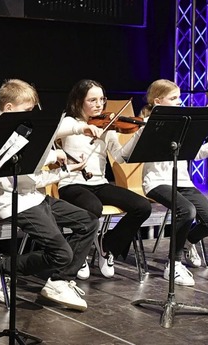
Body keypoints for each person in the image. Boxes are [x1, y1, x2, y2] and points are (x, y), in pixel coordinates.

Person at [0, 79, 98, 311]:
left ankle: (59, 281)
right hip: (14, 202)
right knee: (61, 254)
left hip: (35, 196)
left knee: (88, 222)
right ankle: (2, 266)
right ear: (8, 109)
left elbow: (54, 130)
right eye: (27, 110)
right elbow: (31, 179)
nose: (32, 115)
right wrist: (62, 171)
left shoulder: (22, 130)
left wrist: (80, 129)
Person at [54, 79, 152, 279]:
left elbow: (121, 157)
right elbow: (55, 133)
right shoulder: (69, 121)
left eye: (101, 99)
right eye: (92, 100)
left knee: (142, 207)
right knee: (93, 207)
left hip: (99, 183)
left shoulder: (108, 126)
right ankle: (78, 255)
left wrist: (138, 134)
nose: (99, 104)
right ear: (79, 101)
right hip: (72, 183)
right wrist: (82, 128)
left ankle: (108, 247)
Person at [134, 79, 208, 286]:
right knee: (187, 210)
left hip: (183, 180)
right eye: (173, 98)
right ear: (158, 101)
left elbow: (195, 153)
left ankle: (186, 241)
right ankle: (173, 265)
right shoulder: (150, 124)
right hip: (157, 181)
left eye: (179, 97)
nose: (179, 101)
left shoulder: (185, 122)